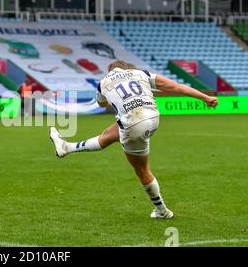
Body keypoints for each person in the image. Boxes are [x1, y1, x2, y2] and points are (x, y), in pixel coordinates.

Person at [50, 60, 218, 219]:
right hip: (153, 117)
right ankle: (67, 147)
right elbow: (176, 87)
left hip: (133, 124)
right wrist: (205, 97)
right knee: (109, 135)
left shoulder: (103, 83)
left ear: (110, 71)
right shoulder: (140, 73)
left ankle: (162, 211)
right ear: (126, 68)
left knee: (142, 171)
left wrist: (115, 95)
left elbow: (101, 105)